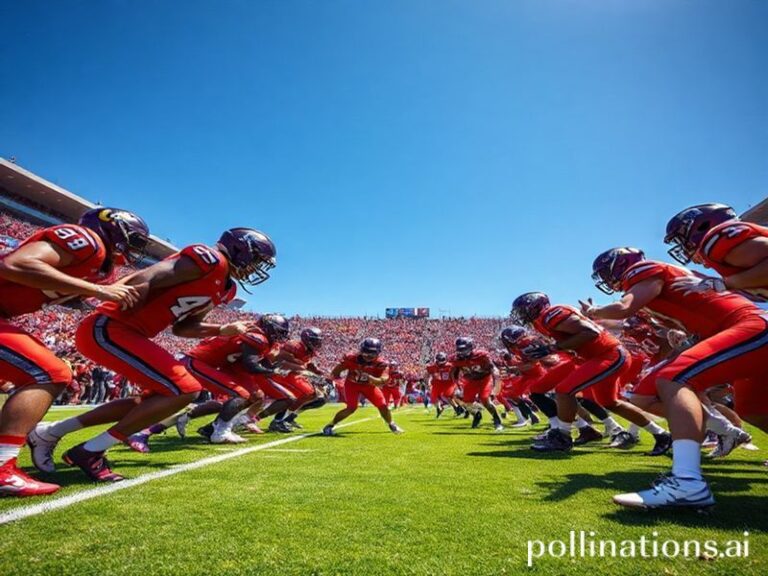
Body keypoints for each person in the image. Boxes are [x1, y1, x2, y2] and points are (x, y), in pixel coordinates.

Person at [28, 228, 276, 482]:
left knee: (146, 403)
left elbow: (183, 327)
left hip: (129, 333)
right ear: (239, 250)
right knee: (186, 388)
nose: (255, 268)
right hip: (111, 326)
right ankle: (91, 450)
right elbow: (145, 278)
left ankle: (49, 432)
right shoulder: (209, 260)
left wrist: (221, 329)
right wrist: (126, 307)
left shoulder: (226, 288)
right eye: (256, 260)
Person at [586, 245, 768, 509]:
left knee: (674, 379)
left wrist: (596, 313)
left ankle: (687, 483)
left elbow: (625, 307)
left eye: (606, 272)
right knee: (644, 396)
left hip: (747, 325)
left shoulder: (642, 270)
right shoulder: (664, 279)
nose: (607, 280)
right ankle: (726, 430)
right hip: (739, 329)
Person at [0, 207, 149, 496]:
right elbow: (16, 264)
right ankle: (2, 467)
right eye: (133, 240)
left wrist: (98, 290)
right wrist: (98, 290)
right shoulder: (86, 240)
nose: (134, 249)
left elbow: (59, 290)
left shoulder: (96, 264)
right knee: (50, 371)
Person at [511, 292, 671, 455]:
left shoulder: (551, 314)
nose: (521, 314)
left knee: (564, 390)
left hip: (608, 354)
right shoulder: (542, 321)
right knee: (610, 402)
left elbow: (590, 332)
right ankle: (662, 435)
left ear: (535, 306)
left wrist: (554, 348)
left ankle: (563, 437)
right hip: (600, 356)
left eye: (522, 310)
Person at [323, 338, 403, 436]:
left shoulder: (381, 363)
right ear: (361, 351)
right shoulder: (351, 358)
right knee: (351, 408)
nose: (368, 356)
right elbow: (336, 372)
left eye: (372, 353)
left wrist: (370, 378)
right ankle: (330, 425)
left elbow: (383, 380)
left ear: (378, 353)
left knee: (383, 405)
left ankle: (391, 424)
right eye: (366, 353)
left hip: (369, 386)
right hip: (352, 384)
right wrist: (334, 381)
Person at [449, 337, 504, 431]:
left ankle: (497, 420)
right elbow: (453, 373)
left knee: (485, 399)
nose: (461, 352)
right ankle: (477, 415)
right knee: (466, 401)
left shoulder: (481, 355)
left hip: (485, 379)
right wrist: (456, 385)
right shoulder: (456, 359)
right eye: (459, 349)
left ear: (470, 347)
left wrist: (496, 378)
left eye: (464, 349)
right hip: (471, 381)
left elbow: (493, 367)